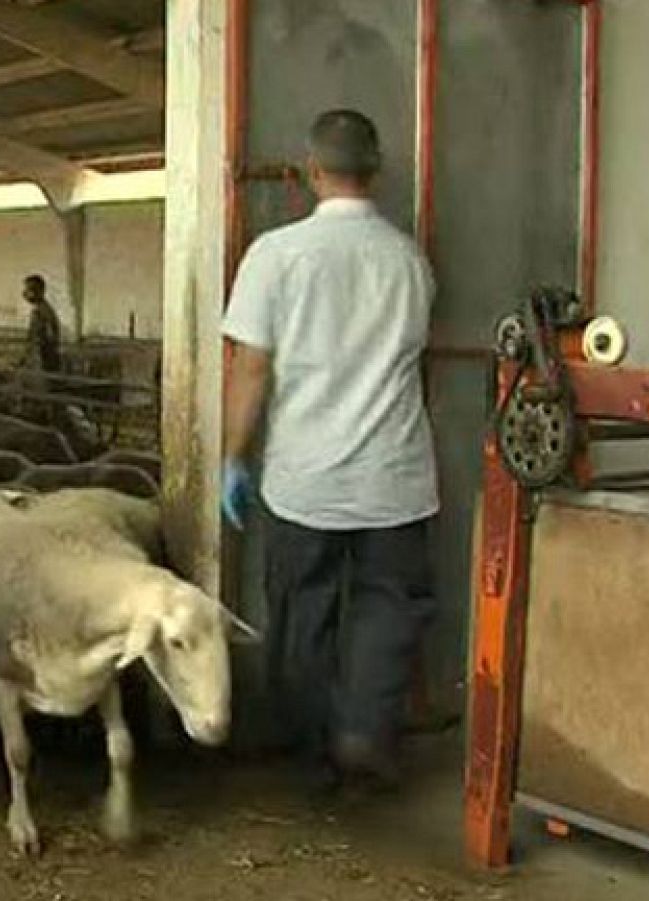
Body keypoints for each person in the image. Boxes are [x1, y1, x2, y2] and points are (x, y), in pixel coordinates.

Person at [219, 109, 438, 790]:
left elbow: (251, 367)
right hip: (395, 478)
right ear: (375, 172)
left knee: (303, 612)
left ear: (312, 171)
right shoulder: (409, 259)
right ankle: (363, 732)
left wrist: (233, 455)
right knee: (387, 608)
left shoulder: (276, 255)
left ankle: (311, 756)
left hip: (305, 480)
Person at [22, 274, 63, 374]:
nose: (26, 293)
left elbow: (49, 339)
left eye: (30, 289)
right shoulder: (40, 310)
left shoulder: (43, 312)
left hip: (42, 362)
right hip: (39, 361)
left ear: (40, 291)